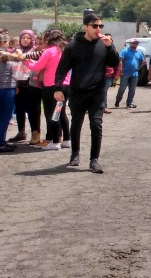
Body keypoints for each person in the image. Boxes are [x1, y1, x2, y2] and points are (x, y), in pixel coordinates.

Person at [54, 13, 120, 173]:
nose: (98, 29)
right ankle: (75, 153)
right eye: (95, 26)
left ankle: (94, 160)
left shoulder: (103, 44)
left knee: (96, 125)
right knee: (76, 124)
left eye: (100, 26)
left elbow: (115, 62)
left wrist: (110, 46)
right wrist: (57, 88)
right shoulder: (73, 46)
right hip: (77, 92)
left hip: (97, 92)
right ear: (85, 27)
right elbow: (62, 68)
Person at [29, 29, 71, 151]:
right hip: (66, 85)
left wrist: (25, 61)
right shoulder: (65, 49)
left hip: (52, 87)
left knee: (52, 114)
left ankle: (56, 141)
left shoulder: (49, 51)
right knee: (61, 113)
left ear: (47, 39)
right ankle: (67, 140)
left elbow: (37, 67)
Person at [11, 29, 42, 145]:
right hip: (19, 85)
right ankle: (21, 132)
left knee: (34, 110)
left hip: (32, 86)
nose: (25, 40)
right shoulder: (15, 51)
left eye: (28, 38)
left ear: (32, 39)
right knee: (19, 109)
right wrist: (15, 84)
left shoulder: (35, 51)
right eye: (23, 37)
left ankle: (36, 133)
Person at [0, 33, 23, 153]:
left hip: (6, 87)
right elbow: (19, 58)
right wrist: (19, 52)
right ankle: (0, 143)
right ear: (3, 42)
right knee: (5, 116)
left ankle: (2, 141)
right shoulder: (3, 53)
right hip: (6, 87)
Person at [115, 39, 146, 109]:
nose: (135, 44)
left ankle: (129, 103)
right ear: (130, 43)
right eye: (133, 43)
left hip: (135, 74)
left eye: (136, 43)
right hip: (125, 73)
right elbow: (120, 60)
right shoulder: (125, 51)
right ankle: (118, 100)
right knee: (122, 88)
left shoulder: (139, 52)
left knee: (132, 89)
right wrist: (121, 70)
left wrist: (142, 63)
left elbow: (143, 61)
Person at [102, 35, 119, 114]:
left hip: (108, 75)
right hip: (99, 75)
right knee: (101, 92)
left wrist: (116, 75)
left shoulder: (113, 51)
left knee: (104, 91)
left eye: (110, 39)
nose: (108, 40)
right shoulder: (99, 49)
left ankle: (104, 107)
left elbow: (117, 64)